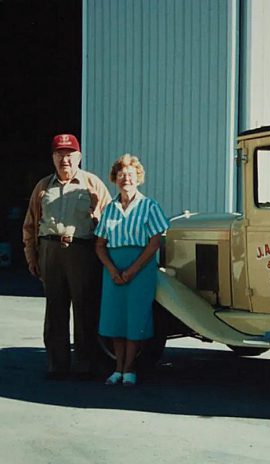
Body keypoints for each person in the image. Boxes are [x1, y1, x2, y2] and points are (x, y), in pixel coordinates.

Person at [22, 133, 112, 380]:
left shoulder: (92, 184)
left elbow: (110, 223)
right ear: (53, 157)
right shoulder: (43, 187)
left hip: (82, 251)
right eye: (60, 154)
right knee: (55, 309)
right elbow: (30, 224)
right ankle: (57, 365)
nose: (65, 159)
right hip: (49, 251)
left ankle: (85, 364)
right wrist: (31, 256)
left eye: (70, 154)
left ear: (79, 156)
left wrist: (97, 219)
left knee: (85, 308)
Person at [94, 154, 169, 386]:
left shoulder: (150, 206)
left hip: (141, 270)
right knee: (116, 319)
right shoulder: (110, 209)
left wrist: (133, 270)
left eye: (130, 174)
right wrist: (113, 270)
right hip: (113, 272)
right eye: (120, 175)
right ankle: (117, 369)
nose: (125, 179)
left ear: (138, 178)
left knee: (135, 319)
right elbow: (99, 245)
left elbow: (155, 242)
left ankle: (130, 369)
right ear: (114, 179)